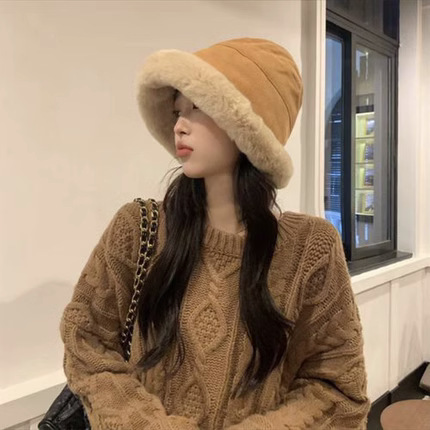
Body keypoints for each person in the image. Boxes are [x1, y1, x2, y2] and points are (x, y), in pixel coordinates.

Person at [60, 37, 371, 429]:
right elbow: (86, 341)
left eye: (198, 107)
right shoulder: (138, 228)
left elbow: (338, 389)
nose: (179, 125)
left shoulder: (309, 249)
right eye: (178, 110)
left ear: (248, 129)